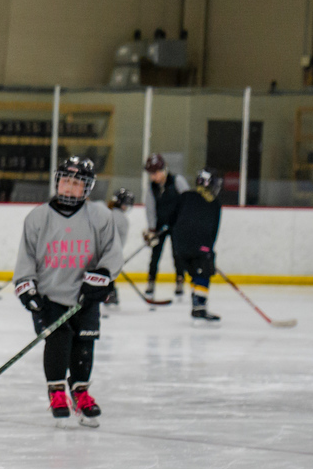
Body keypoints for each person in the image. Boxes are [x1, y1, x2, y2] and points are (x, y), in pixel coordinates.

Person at [12, 156, 120, 427]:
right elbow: (26, 257)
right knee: (58, 341)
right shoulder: (38, 217)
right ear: (57, 182)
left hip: (84, 296)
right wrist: (27, 287)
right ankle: (57, 392)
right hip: (50, 296)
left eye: (76, 183)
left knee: (85, 342)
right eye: (65, 181)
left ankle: (80, 392)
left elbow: (112, 252)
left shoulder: (100, 216)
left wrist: (102, 277)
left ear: (87, 187)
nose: (69, 187)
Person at [172, 167, 224, 324]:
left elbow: (173, 217)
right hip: (200, 246)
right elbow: (213, 231)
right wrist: (208, 251)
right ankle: (199, 307)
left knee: (195, 272)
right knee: (203, 273)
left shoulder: (186, 196)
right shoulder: (214, 203)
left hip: (180, 248)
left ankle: (197, 304)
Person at [142, 155, 190, 299]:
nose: (153, 176)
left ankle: (180, 280)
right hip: (160, 225)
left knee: (177, 254)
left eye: (155, 173)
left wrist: (184, 222)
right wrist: (152, 229)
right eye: (151, 174)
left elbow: (188, 200)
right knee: (155, 254)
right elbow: (150, 209)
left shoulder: (177, 181)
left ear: (163, 170)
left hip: (177, 225)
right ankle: (151, 281)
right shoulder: (152, 188)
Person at [106, 188, 135, 308]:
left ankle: (109, 293)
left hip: (103, 250)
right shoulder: (121, 218)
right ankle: (110, 294)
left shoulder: (108, 212)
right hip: (110, 251)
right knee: (108, 272)